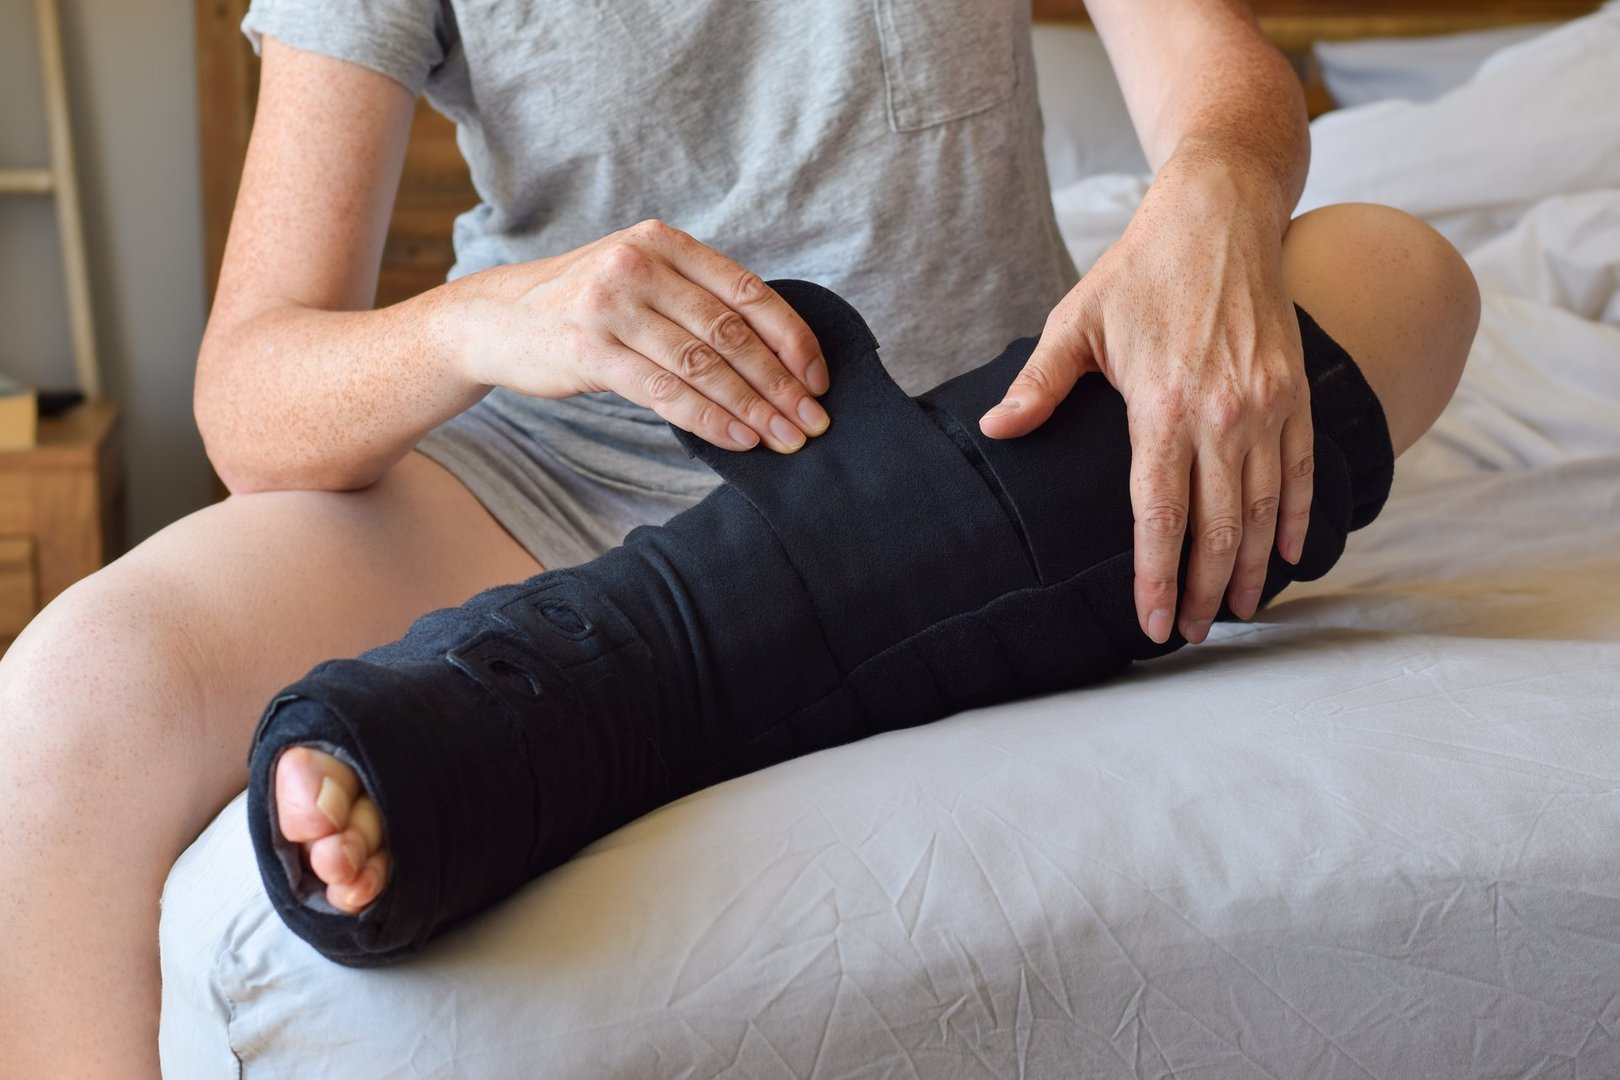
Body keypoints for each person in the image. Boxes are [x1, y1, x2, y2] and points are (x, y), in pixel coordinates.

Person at [0, 0, 1479, 1074]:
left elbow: (1216, 73)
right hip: (546, 483)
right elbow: (248, 395)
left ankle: (627, 675)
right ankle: (787, 621)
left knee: (1402, 274)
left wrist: (1216, 185)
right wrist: (487, 320)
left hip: (1003, 435)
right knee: (69, 700)